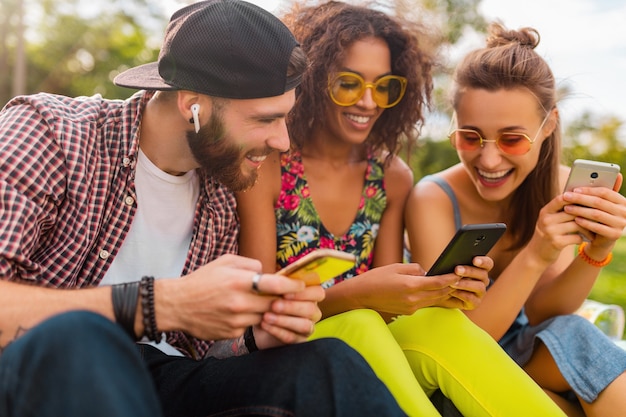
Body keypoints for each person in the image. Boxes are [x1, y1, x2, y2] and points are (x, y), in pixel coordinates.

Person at [0, 1, 412, 416]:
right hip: (40, 371)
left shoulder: (223, 188)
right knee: (83, 338)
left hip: (161, 381)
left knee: (326, 365)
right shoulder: (51, 133)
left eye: (285, 118)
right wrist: (160, 304)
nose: (282, 142)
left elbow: (204, 357)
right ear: (192, 105)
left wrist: (256, 334)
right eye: (265, 119)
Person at [236, 2, 565, 416]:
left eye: (384, 87)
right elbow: (257, 313)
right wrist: (353, 296)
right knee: (361, 323)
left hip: (372, 345)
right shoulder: (268, 167)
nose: (369, 102)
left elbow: (392, 308)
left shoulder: (390, 176)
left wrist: (437, 291)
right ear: (313, 79)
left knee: (438, 324)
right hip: (286, 349)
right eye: (349, 84)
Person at [405, 22, 626, 417]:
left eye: (512, 139)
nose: (489, 161)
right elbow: (461, 343)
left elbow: (547, 316)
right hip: (454, 364)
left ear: (549, 126)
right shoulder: (432, 199)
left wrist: (598, 249)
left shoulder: (559, 186)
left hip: (526, 351)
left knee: (575, 337)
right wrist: (536, 253)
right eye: (470, 137)